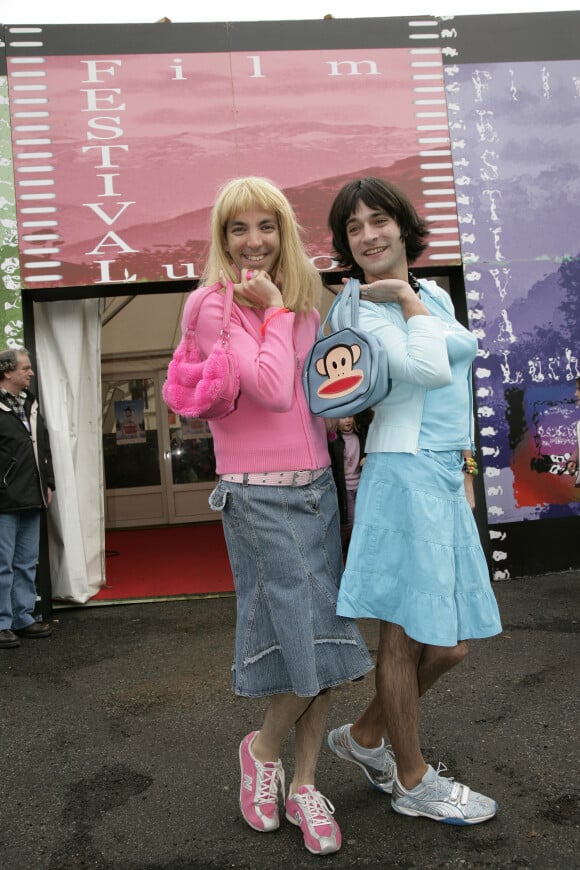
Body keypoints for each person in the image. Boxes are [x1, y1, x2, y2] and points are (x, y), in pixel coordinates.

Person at [184, 176, 373, 856]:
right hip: (256, 493)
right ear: (223, 238)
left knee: (319, 633)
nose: (253, 241)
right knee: (306, 630)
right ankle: (264, 749)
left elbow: (310, 401)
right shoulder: (213, 307)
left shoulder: (305, 309)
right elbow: (265, 390)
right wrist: (267, 315)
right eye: (239, 229)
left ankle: (304, 783)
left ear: (284, 234)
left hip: (317, 488)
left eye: (266, 226)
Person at [324, 177, 503, 825]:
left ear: (403, 225)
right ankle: (411, 779)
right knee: (403, 639)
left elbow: (454, 368)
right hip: (399, 472)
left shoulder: (431, 291)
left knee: (450, 644)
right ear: (345, 243)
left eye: (379, 220)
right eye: (353, 227)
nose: (368, 235)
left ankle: (366, 737)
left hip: (442, 474)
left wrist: (462, 464)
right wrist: (399, 295)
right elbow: (426, 370)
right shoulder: (357, 308)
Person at [0, 348, 54, 649]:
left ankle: (22, 617)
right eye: (25, 368)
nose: (30, 373)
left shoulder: (30, 405)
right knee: (2, 564)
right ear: (7, 372)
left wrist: (49, 483)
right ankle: (2, 623)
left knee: (25, 562)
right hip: (4, 500)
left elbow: (42, 448)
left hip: (32, 496)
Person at [326, 410, 372, 554]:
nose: (347, 420)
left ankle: (350, 549)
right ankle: (338, 549)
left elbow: (366, 416)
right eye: (342, 417)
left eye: (350, 416)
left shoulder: (360, 436)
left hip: (360, 485)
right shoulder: (334, 441)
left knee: (361, 520)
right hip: (345, 489)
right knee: (349, 522)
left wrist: (366, 458)